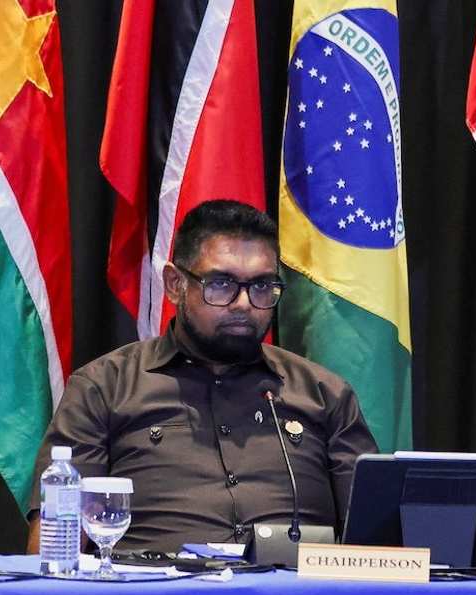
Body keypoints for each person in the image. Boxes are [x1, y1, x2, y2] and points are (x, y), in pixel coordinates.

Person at [27, 200, 378, 553]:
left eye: (261, 287)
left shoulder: (323, 394)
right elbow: (54, 547)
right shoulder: (105, 387)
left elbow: (376, 540)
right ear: (175, 284)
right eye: (221, 284)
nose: (243, 304)